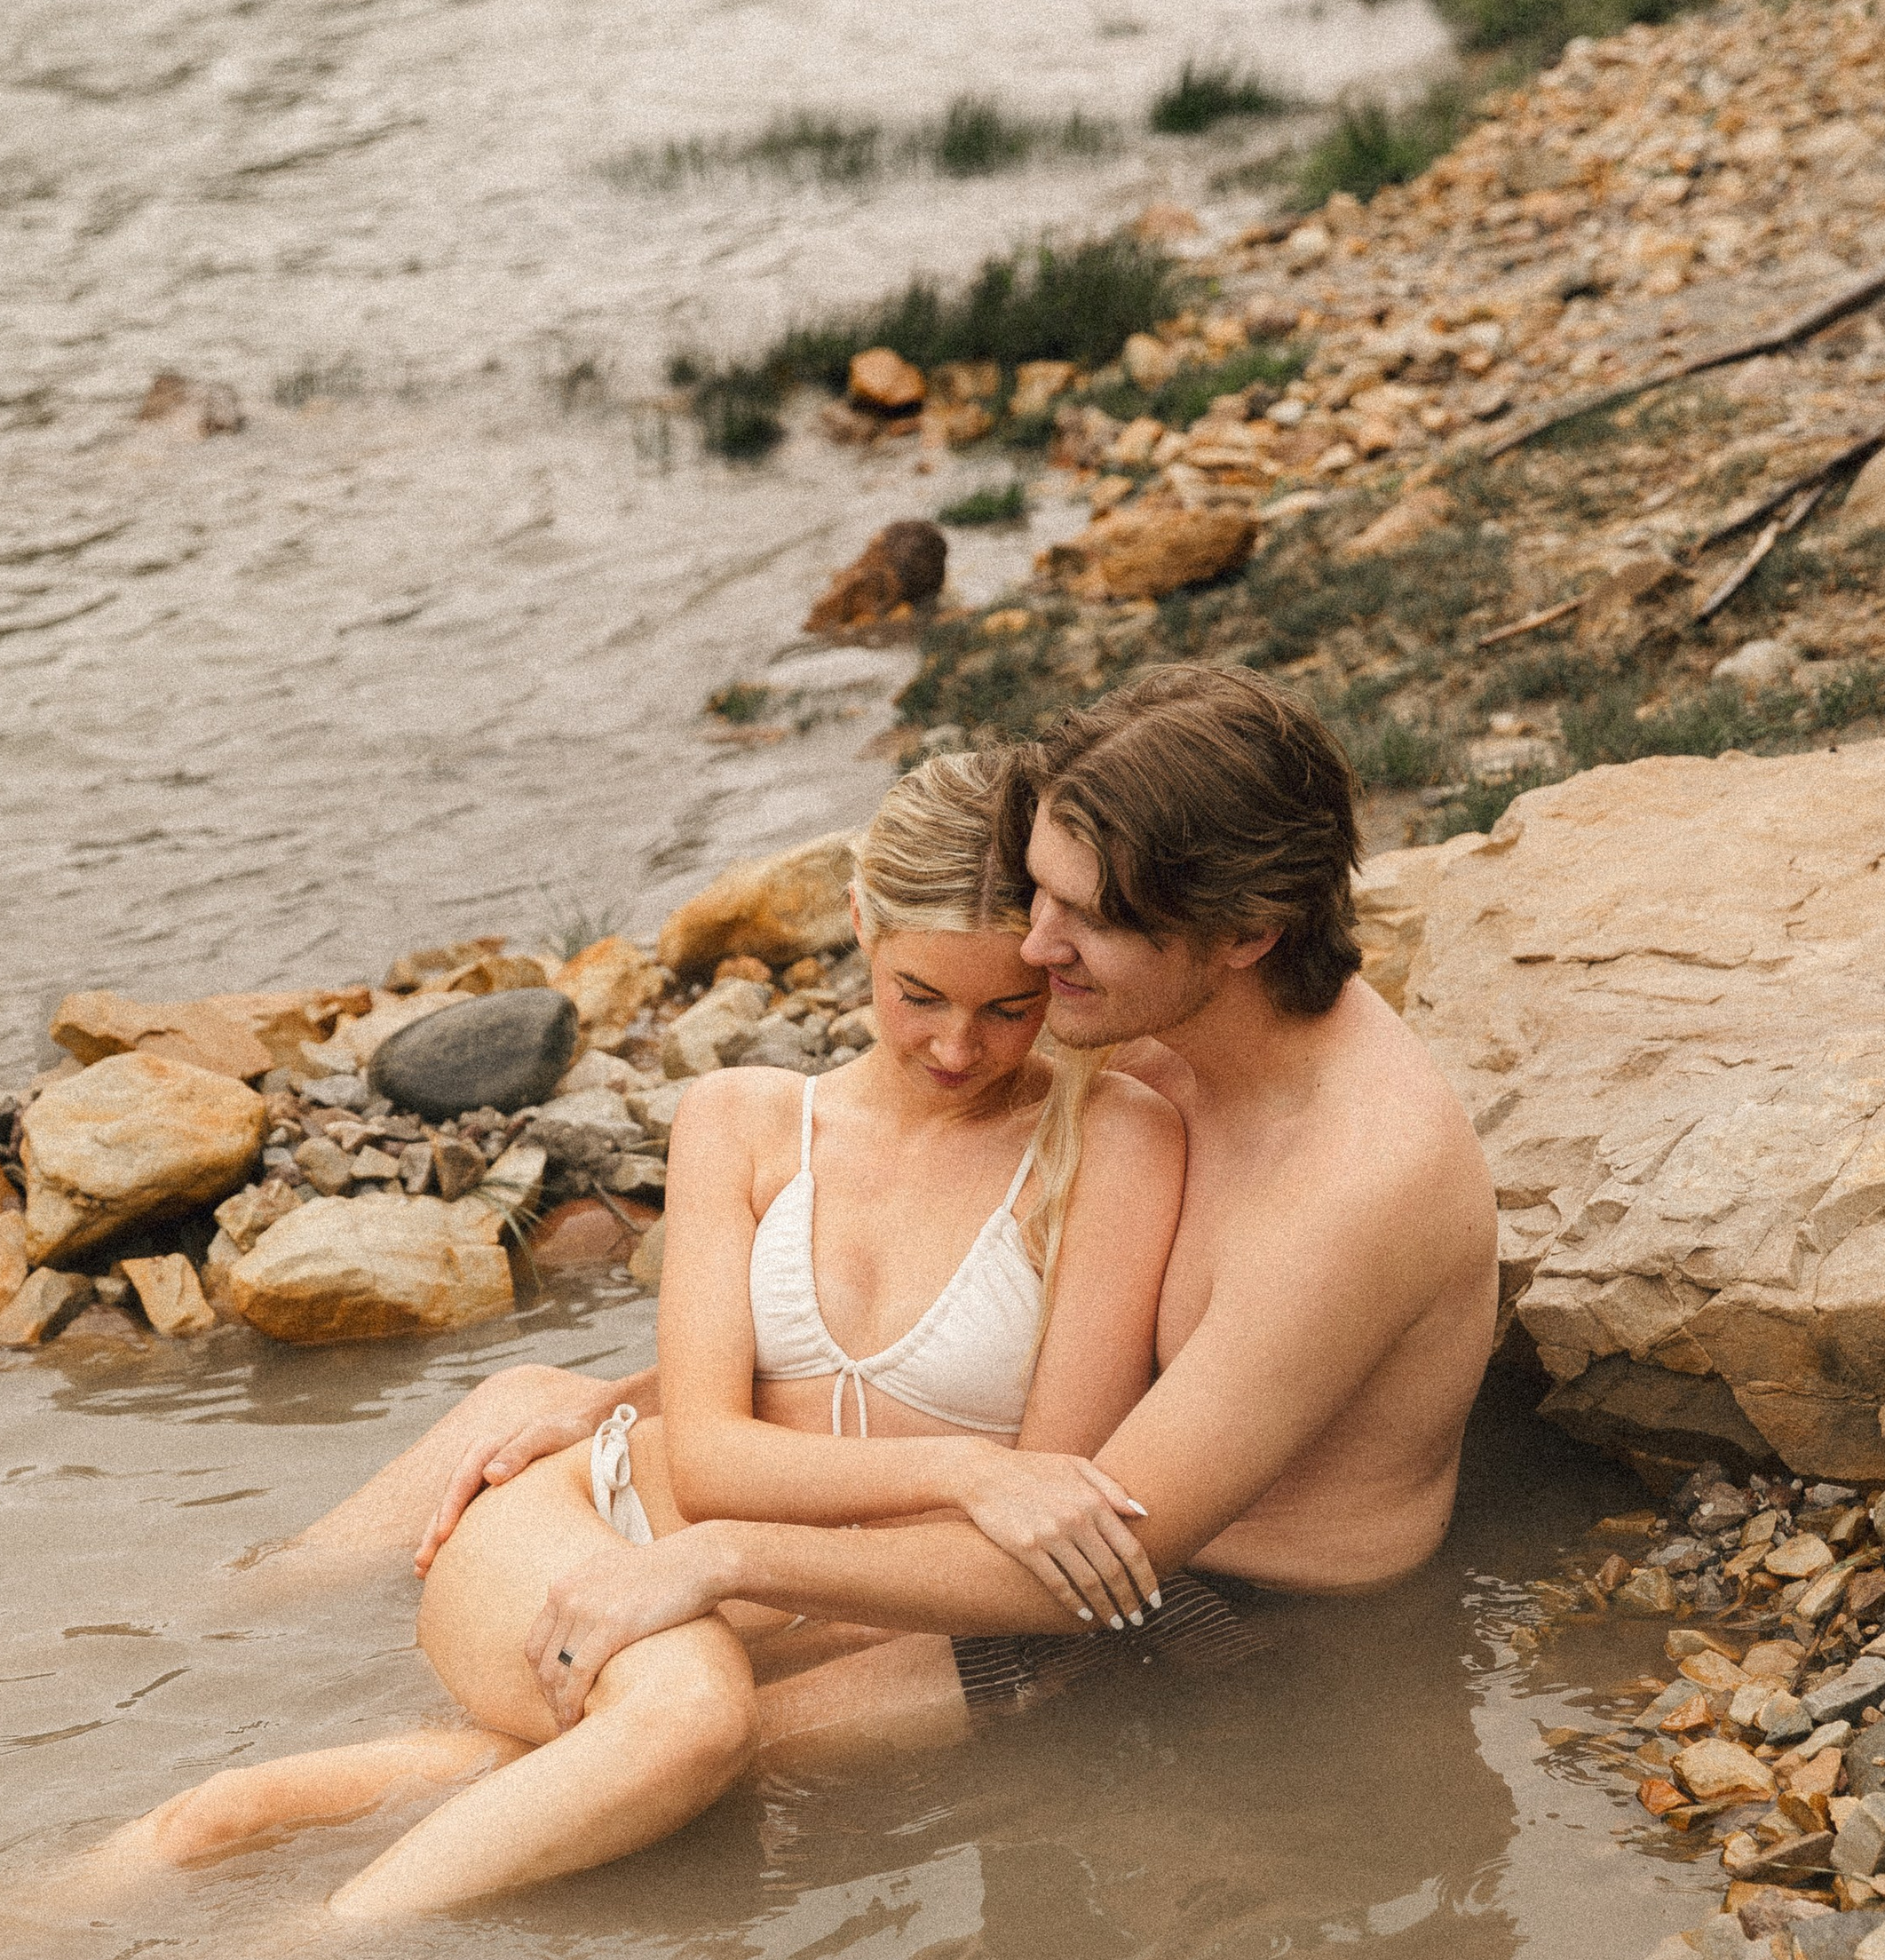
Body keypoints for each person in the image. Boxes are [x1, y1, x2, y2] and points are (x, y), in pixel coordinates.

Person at [79, 757, 1185, 1924]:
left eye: (1008, 1009)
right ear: (859, 924)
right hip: (594, 1537)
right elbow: (709, 1460)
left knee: (305, 1807)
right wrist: (970, 1466)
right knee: (688, 1720)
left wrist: (994, 1488)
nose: (960, 1048)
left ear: (1056, 977)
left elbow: (1047, 1525)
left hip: (844, 1622)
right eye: (918, 996)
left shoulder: (1112, 1140)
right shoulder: (744, 1120)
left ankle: (212, 1848)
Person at [478, 662, 1503, 1728]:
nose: (1033, 945)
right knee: (571, 1630)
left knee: (688, 1753)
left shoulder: (1351, 1183)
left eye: (1085, 918)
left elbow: (1103, 1557)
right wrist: (636, 1397)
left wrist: (718, 1558)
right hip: (1054, 1541)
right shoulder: (1178, 1028)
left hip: (1232, 1620)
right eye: (1040, 891)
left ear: (1247, 934)